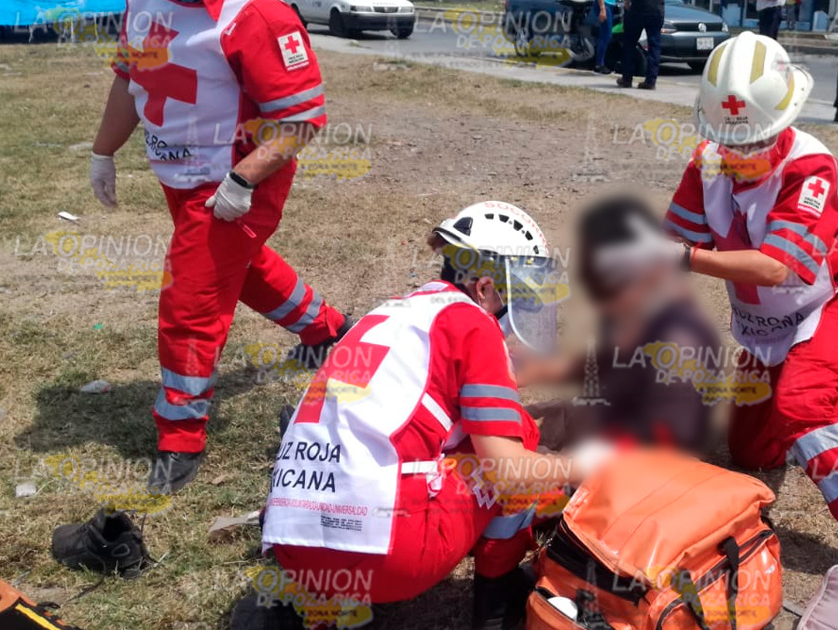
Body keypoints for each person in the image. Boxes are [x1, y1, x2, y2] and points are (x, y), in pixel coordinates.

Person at [650, 32, 838, 550]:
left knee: (801, 407)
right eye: (731, 141)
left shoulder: (810, 166)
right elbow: (673, 243)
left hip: (836, 301)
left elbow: (775, 268)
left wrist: (683, 259)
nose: (741, 154)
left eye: (756, 140)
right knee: (753, 451)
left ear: (785, 120)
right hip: (768, 324)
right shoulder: (707, 163)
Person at [255, 202, 602, 630]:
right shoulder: (474, 324)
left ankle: (317, 605)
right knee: (521, 435)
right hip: (389, 558)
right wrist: (584, 465)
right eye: (516, 293)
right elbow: (509, 471)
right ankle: (496, 596)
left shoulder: (391, 314)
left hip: (292, 538)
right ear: (485, 288)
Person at [89, 0, 351, 494]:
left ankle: (181, 434)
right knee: (238, 269)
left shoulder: (257, 15)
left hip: (236, 180)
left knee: (190, 300)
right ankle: (327, 328)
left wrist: (243, 178)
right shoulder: (142, 3)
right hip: (181, 177)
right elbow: (130, 79)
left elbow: (302, 117)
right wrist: (103, 151)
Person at [517, 195, 722, 455]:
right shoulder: (627, 308)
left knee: (523, 457)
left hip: (650, 450)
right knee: (524, 421)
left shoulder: (679, 339)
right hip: (618, 416)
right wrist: (543, 369)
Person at [616, 0, 663, 90]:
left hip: (638, 8)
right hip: (656, 9)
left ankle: (627, 78)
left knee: (629, 43)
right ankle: (650, 81)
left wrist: (627, 2)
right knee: (654, 46)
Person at [594, 0, 618, 74]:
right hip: (604, 5)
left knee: (606, 35)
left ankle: (601, 62)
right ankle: (599, 64)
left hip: (611, 5)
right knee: (606, 35)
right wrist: (602, 8)